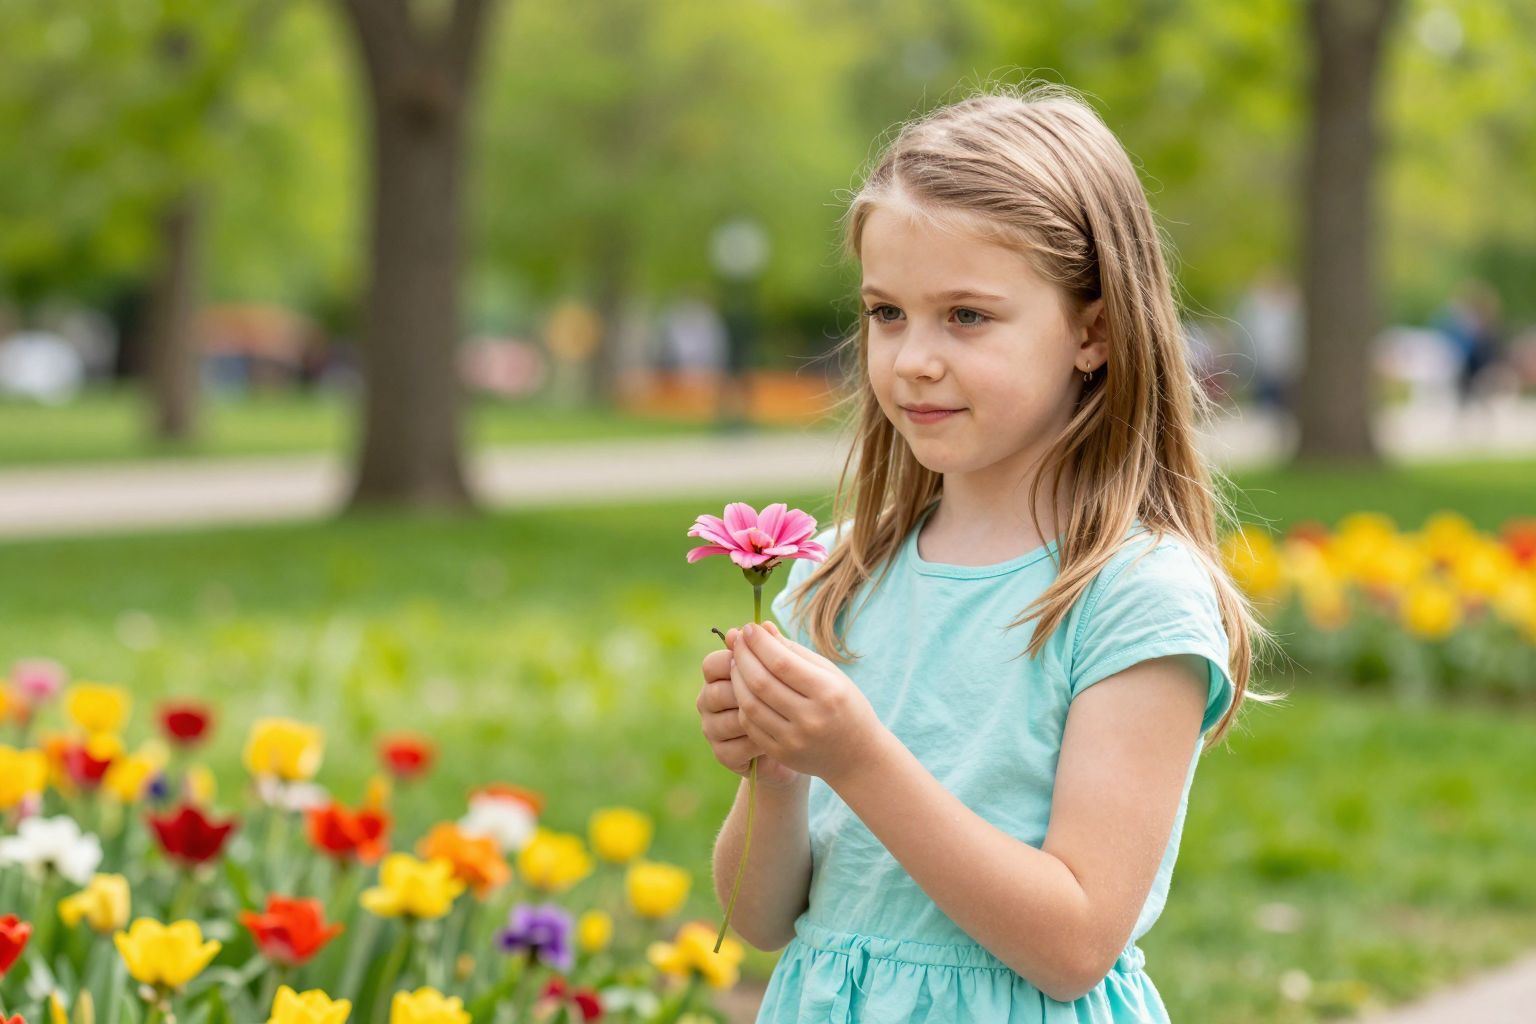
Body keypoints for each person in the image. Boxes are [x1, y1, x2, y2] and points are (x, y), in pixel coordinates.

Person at [693, 84, 1279, 1023]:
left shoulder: (1132, 596)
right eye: (887, 313)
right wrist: (780, 771)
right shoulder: (834, 574)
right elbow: (759, 919)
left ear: (1093, 331)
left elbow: (1074, 945)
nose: (913, 358)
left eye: (966, 316)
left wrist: (857, 757)